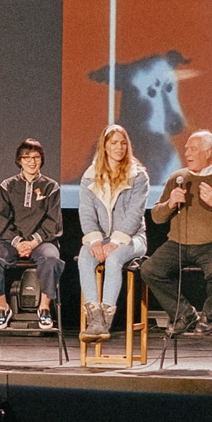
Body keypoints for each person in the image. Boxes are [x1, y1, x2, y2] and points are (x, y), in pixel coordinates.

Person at [140, 129, 212, 337]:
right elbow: (156, 217)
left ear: (209, 153)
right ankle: (185, 314)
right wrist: (171, 203)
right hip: (179, 243)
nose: (187, 152)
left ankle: (208, 316)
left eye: (193, 149)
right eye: (187, 148)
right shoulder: (178, 178)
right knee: (149, 269)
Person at [75, 124, 152, 338]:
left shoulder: (138, 176)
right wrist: (95, 242)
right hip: (102, 238)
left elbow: (134, 216)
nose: (119, 147)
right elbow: (87, 213)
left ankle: (105, 319)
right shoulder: (89, 177)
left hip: (132, 238)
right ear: (105, 146)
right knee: (84, 256)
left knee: (114, 259)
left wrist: (114, 242)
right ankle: (95, 318)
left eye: (123, 143)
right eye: (114, 143)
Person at [0, 138, 62, 332]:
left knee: (51, 260)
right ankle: (2, 307)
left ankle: (44, 308)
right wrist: (18, 243)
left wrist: (32, 243)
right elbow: (2, 221)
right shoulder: (7, 186)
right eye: (27, 157)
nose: (31, 161)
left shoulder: (51, 187)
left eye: (36, 157)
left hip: (42, 241)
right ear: (19, 161)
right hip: (11, 242)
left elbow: (53, 221)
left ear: (42, 159)